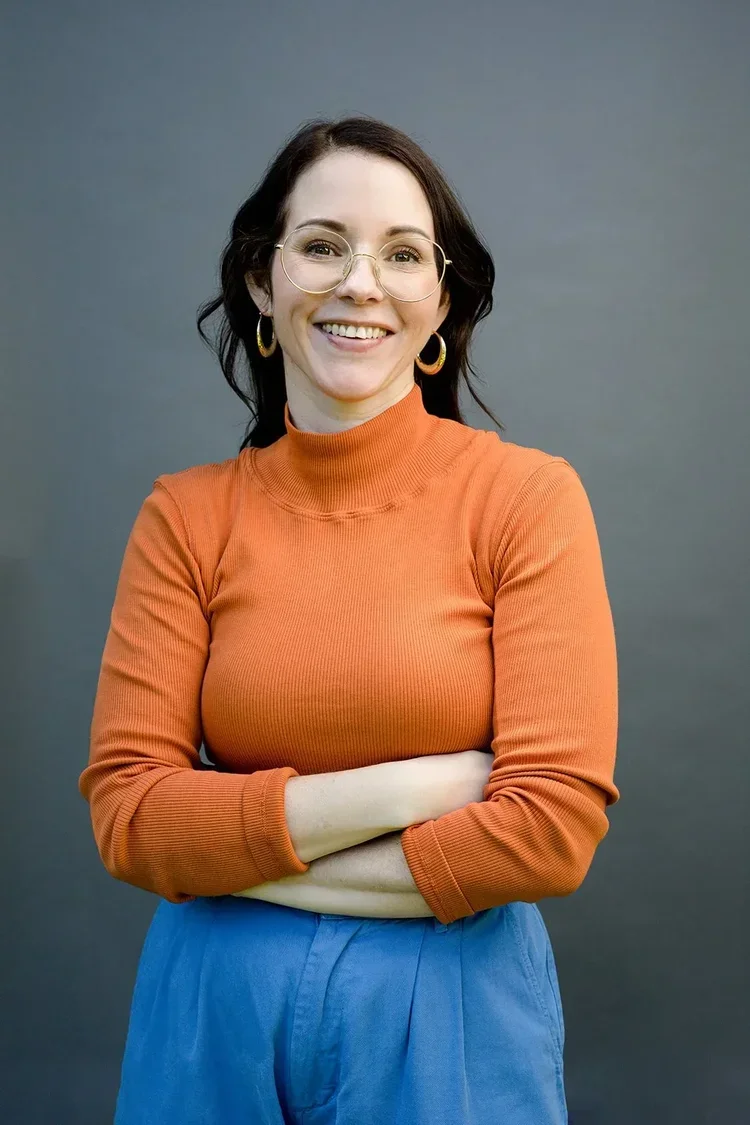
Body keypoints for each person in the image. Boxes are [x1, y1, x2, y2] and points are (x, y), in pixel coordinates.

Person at [79, 115, 620, 1125]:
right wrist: (416, 787)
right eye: (323, 245)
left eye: (403, 255)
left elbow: (549, 835)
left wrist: (229, 854)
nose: (360, 284)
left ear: (440, 304)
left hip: (452, 1013)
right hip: (212, 1018)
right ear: (262, 281)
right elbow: (131, 818)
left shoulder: (525, 499)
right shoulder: (186, 516)